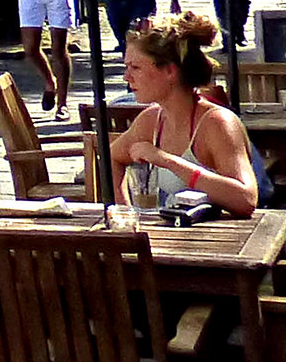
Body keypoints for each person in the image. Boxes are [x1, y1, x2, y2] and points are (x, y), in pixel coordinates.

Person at [109, 12, 258, 218]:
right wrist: (126, 214)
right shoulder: (151, 120)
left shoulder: (217, 123)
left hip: (228, 243)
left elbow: (246, 199)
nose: (127, 77)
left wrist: (166, 160)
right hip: (179, 241)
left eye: (135, 67)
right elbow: (112, 158)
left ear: (170, 71)